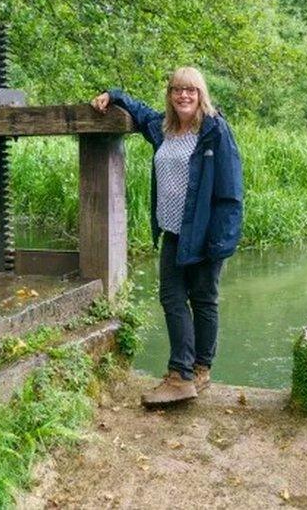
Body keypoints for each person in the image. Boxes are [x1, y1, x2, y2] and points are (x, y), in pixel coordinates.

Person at [90, 67, 244, 406]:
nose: (184, 96)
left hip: (203, 234)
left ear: (201, 94)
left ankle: (190, 373)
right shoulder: (164, 129)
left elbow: (231, 191)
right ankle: (186, 372)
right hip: (173, 232)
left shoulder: (215, 130)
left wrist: (221, 243)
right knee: (173, 298)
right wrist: (114, 95)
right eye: (177, 90)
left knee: (203, 299)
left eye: (191, 90)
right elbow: (139, 111)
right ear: (170, 94)